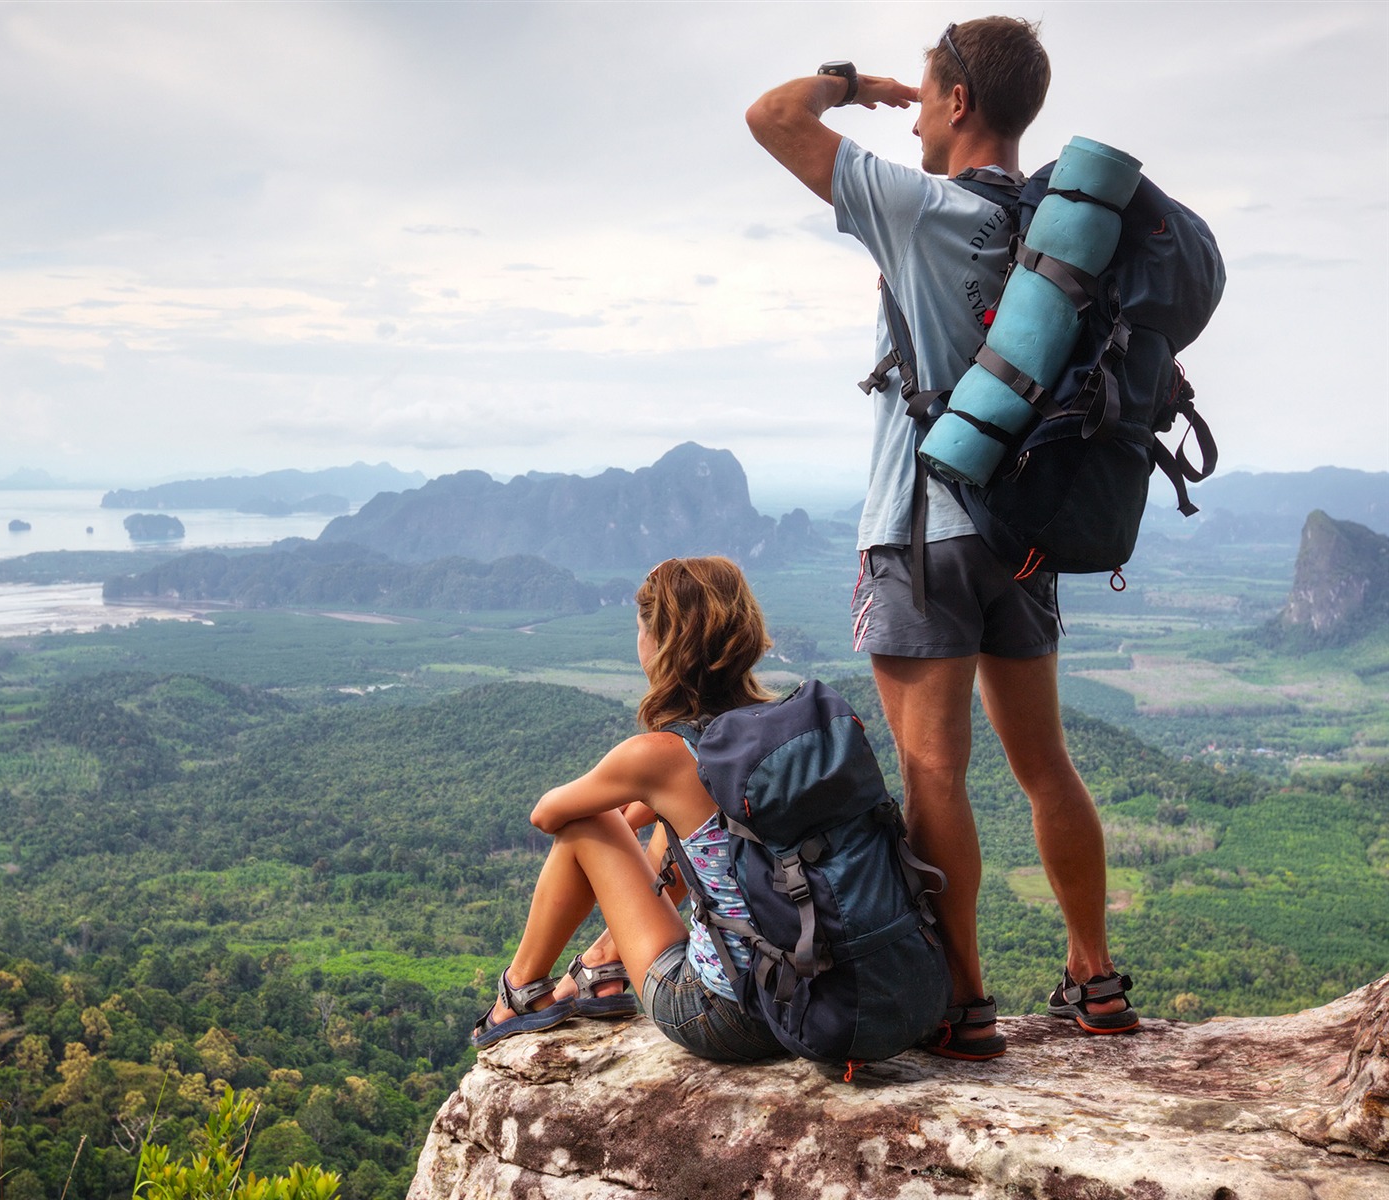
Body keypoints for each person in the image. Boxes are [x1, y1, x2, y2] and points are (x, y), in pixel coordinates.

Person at [744, 17, 1136, 1059]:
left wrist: (851, 82)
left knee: (933, 776)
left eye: (924, 98)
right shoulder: (1061, 232)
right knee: (1045, 764)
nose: (911, 115)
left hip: (921, 531)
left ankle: (962, 1004)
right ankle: (1095, 980)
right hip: (1025, 531)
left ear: (958, 104)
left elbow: (770, 116)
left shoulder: (921, 208)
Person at [471, 556, 786, 1062]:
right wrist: (649, 810)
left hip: (730, 1016)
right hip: (818, 999)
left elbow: (547, 815)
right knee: (678, 824)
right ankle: (603, 963)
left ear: (660, 643)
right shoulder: (781, 726)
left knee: (588, 821)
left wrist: (619, 826)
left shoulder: (659, 756)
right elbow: (682, 808)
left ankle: (519, 991)